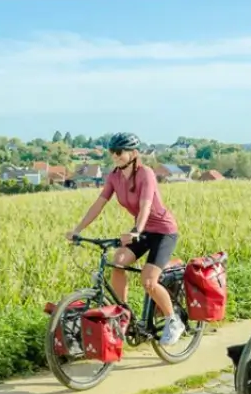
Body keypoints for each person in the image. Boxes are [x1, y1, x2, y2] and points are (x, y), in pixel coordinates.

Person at [66, 132, 185, 344]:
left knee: (148, 281)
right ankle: (123, 315)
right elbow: (99, 204)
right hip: (143, 229)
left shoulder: (145, 174)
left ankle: (173, 320)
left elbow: (145, 205)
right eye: (112, 152)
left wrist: (137, 230)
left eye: (119, 152)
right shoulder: (114, 176)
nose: (115, 156)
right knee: (118, 261)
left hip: (163, 231)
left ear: (133, 153)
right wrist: (78, 230)